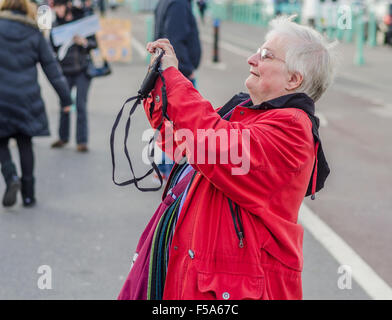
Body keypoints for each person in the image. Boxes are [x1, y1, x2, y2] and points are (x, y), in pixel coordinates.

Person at [118, 16, 335, 300]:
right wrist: (159, 85)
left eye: (266, 56)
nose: (251, 59)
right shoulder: (249, 111)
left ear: (294, 79)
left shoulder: (292, 129)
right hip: (195, 275)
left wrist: (173, 78)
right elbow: (180, 140)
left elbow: (213, 144)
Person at [0, 0, 72, 207]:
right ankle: (29, 195)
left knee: (1, 142)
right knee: (25, 143)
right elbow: (52, 70)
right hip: (26, 99)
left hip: (1, 99)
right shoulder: (33, 32)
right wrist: (66, 99)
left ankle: (10, 176)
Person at [153, 0, 202, 180]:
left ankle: (163, 169)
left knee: (170, 122)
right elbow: (175, 39)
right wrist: (185, 70)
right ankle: (171, 173)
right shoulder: (179, 3)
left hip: (170, 72)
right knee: (181, 125)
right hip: (179, 74)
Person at [50, 0, 97, 152]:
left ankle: (81, 141)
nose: (57, 11)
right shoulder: (56, 24)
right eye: (55, 8)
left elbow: (93, 43)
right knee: (65, 105)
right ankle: (63, 137)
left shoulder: (82, 19)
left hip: (82, 70)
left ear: (67, 5)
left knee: (81, 105)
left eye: (59, 7)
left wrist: (83, 42)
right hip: (64, 71)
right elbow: (50, 47)